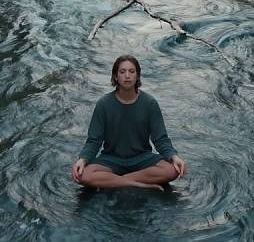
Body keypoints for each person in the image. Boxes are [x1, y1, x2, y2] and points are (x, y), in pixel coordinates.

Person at [71, 55, 187, 191]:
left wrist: (173, 156)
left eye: (131, 72)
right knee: (82, 175)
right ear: (115, 77)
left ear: (137, 76)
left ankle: (112, 181)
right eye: (122, 72)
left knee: (172, 170)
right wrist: (83, 159)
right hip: (111, 159)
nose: (127, 76)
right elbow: (94, 140)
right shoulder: (104, 104)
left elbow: (160, 139)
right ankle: (139, 183)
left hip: (142, 158)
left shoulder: (149, 103)